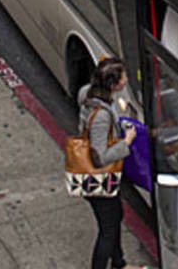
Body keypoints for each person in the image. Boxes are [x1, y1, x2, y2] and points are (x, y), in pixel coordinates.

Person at [77, 58, 141, 269]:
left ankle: (119, 263)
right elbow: (99, 157)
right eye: (123, 76)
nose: (126, 79)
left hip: (100, 179)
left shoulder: (88, 93)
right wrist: (126, 142)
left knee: (115, 219)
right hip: (98, 178)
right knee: (108, 228)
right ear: (113, 84)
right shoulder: (102, 115)